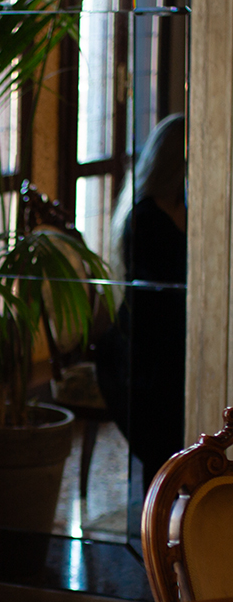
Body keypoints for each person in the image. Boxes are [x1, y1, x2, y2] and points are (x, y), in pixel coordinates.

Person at [95, 114, 187, 490]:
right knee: (164, 438)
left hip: (171, 339)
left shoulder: (187, 208)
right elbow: (153, 303)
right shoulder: (145, 217)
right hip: (143, 352)